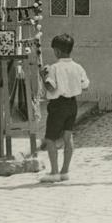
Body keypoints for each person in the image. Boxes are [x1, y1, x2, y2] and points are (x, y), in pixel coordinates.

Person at [40, 33, 89, 183]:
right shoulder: (78, 67)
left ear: (57, 51)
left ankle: (54, 172)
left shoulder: (54, 68)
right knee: (68, 137)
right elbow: (85, 86)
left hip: (58, 105)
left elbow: (51, 87)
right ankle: (64, 171)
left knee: (50, 139)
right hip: (72, 104)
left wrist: (43, 76)